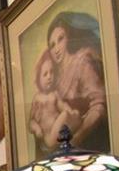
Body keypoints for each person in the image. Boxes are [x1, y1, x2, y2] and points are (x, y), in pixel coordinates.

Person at [34, 12, 107, 153]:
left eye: (60, 39)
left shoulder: (82, 62)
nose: (56, 49)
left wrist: (76, 139)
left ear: (69, 38)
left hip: (89, 145)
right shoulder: (54, 78)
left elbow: (99, 105)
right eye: (52, 45)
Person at [29, 52, 82, 150]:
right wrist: (37, 128)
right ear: (38, 78)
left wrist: (71, 111)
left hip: (58, 132)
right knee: (66, 115)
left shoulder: (54, 94)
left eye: (51, 72)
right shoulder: (37, 98)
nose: (49, 77)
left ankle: (76, 121)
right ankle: (76, 120)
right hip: (48, 137)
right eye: (45, 74)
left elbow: (63, 105)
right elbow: (31, 121)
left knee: (72, 113)